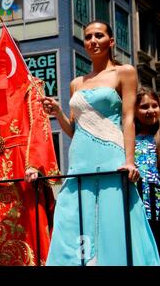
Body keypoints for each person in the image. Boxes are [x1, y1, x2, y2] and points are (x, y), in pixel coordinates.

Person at [41, 20, 159, 265]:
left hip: (111, 156)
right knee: (74, 214)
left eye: (98, 35)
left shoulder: (125, 72)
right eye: (88, 37)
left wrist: (129, 161)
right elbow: (74, 130)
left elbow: (128, 118)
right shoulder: (77, 83)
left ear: (111, 41)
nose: (92, 41)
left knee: (112, 216)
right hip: (80, 157)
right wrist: (58, 112)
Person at [0, 46, 60, 265]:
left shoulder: (31, 85)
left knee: (26, 227)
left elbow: (39, 125)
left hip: (21, 166)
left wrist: (34, 164)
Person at [134, 86, 160, 252]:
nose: (150, 110)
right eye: (144, 107)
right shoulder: (129, 138)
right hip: (139, 203)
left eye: (154, 105)